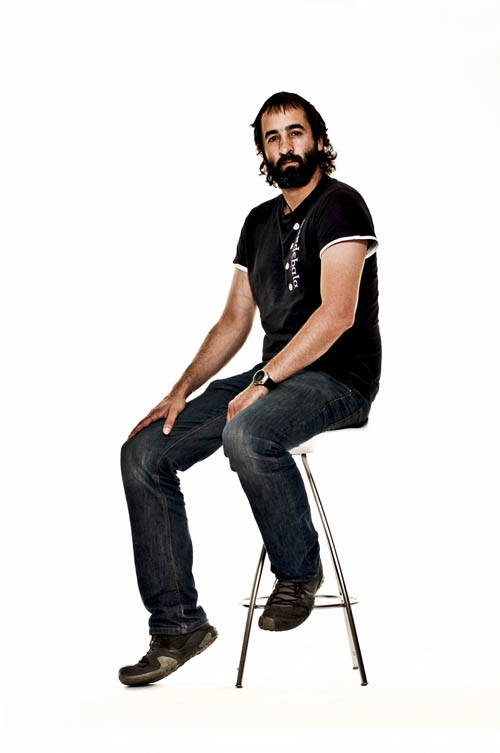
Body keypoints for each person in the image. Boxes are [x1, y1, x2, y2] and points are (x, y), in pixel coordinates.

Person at [119, 91, 381, 686]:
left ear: (318, 140)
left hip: (339, 379)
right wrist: (181, 389)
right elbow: (235, 321)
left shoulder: (342, 206)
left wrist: (265, 380)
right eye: (273, 137)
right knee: (143, 453)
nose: (285, 146)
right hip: (276, 374)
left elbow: (337, 314)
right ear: (263, 150)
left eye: (296, 132)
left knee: (246, 433)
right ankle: (177, 625)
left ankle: (298, 573)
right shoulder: (258, 222)